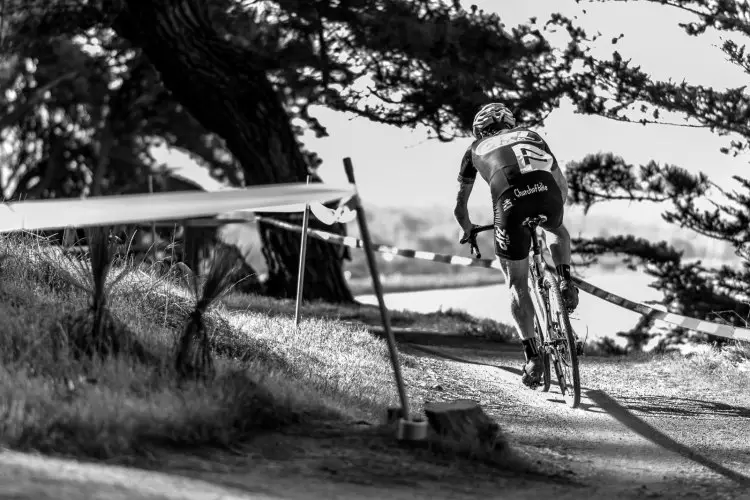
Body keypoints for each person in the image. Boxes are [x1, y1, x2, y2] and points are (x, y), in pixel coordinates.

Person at [453, 102, 579, 388]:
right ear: (510, 124)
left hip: (510, 204)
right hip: (547, 194)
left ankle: (533, 356)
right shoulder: (532, 135)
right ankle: (564, 279)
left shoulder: (475, 148)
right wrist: (552, 212)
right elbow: (561, 183)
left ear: (480, 131)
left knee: (516, 282)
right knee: (559, 231)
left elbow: (460, 207)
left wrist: (468, 229)